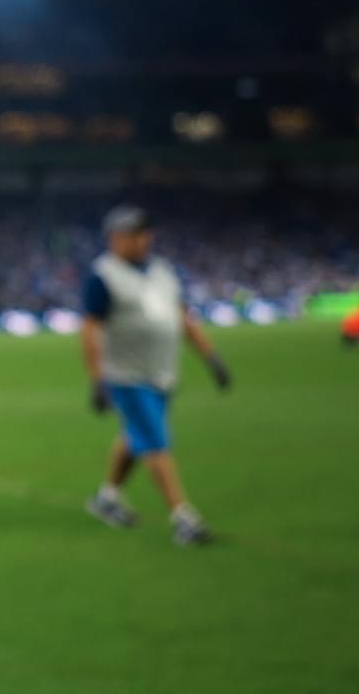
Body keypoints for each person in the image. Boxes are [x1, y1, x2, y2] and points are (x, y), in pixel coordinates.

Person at [79, 205, 230, 546]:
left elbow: (183, 317)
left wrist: (211, 357)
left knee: (137, 436)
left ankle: (107, 497)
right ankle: (183, 516)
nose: (138, 240)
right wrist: (97, 378)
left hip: (162, 372)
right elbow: (90, 329)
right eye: (130, 235)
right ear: (114, 239)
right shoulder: (103, 276)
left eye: (142, 233)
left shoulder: (163, 271)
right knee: (155, 440)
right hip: (126, 374)